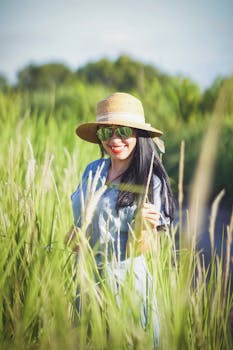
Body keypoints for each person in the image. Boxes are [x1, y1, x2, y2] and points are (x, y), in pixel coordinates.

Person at [69, 92, 175, 347]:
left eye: (123, 131)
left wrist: (141, 229)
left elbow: (139, 249)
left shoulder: (150, 182)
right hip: (86, 283)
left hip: (125, 288)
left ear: (138, 134)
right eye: (107, 132)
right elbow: (78, 228)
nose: (114, 139)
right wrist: (75, 235)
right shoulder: (93, 170)